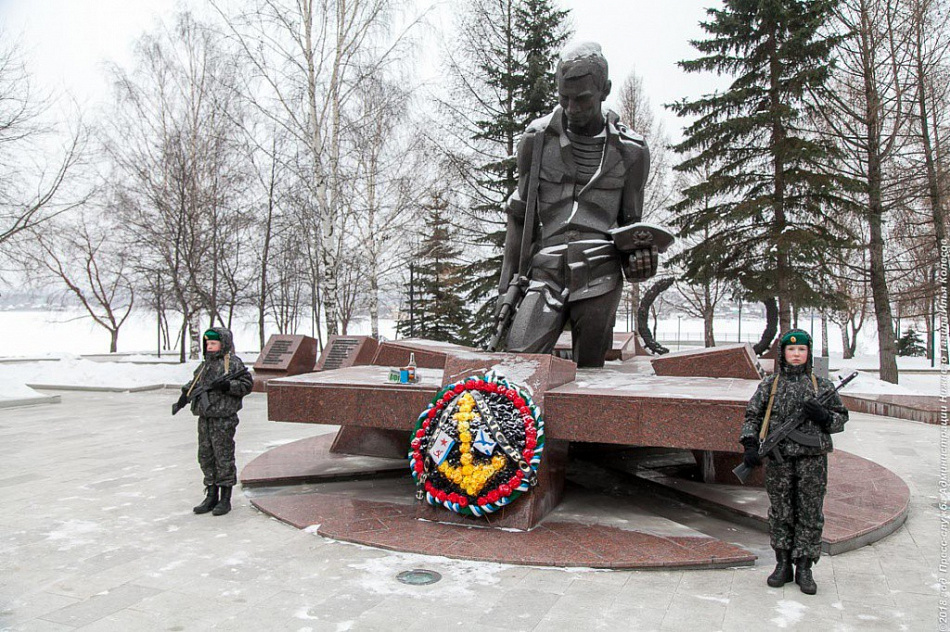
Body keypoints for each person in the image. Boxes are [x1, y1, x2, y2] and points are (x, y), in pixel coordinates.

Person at [497, 41, 656, 368]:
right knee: (519, 362)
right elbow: (518, 216)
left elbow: (631, 227)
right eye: (563, 98)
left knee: (590, 376)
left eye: (582, 99)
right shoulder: (536, 139)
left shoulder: (632, 151)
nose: (571, 108)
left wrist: (641, 259)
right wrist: (505, 291)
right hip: (545, 273)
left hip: (600, 273)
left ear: (604, 90)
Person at [739, 329, 848, 594]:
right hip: (780, 461)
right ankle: (783, 563)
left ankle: (805, 566)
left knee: (810, 512)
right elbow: (752, 416)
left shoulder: (821, 385)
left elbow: (840, 418)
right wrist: (750, 444)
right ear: (783, 354)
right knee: (781, 511)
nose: (796, 354)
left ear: (808, 353)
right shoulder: (770, 385)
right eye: (791, 350)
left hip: (812, 461)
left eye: (801, 350)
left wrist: (823, 416)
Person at [182, 327, 253, 516]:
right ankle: (211, 494)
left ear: (224, 344)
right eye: (208, 344)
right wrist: (185, 393)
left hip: (223, 418)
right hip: (205, 417)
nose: (210, 347)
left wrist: (228, 385)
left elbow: (247, 384)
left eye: (213, 343)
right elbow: (195, 383)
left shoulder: (232, 364)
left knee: (223, 456)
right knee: (205, 455)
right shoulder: (206, 364)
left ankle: (225, 498)